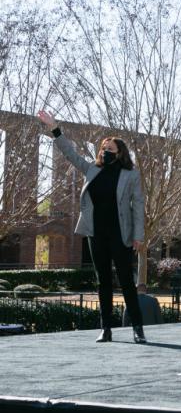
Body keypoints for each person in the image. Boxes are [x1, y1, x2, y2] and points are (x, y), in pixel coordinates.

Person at [37, 110, 148, 344]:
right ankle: (106, 328)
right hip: (96, 233)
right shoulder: (92, 169)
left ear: (119, 154)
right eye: (102, 149)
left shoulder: (131, 175)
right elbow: (70, 154)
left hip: (121, 234)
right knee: (102, 281)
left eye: (109, 150)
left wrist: (138, 235)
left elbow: (138, 205)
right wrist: (54, 127)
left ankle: (137, 328)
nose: (104, 152)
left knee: (127, 281)